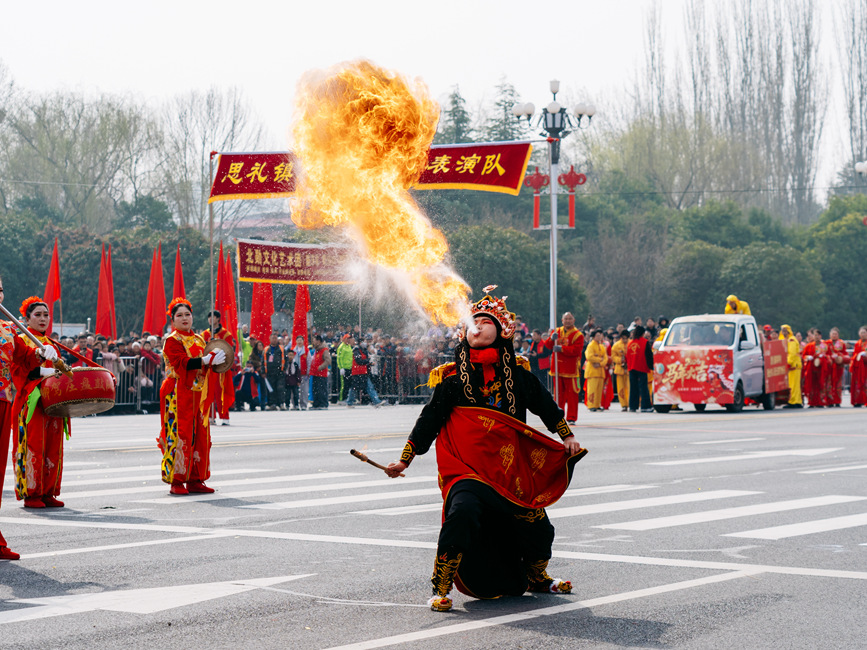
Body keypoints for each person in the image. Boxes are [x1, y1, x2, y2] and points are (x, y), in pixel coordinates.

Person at [385, 287, 585, 612]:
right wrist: (405, 459)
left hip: (509, 472)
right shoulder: (451, 380)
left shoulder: (518, 376)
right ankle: (440, 586)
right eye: (472, 321)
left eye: (484, 321)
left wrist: (566, 436)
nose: (476, 326)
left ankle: (537, 575)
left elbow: (545, 406)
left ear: (502, 330)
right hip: (467, 470)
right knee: (462, 513)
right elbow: (429, 421)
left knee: (538, 525)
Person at [10, 297, 80, 509]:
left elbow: (62, 370)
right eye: (37, 315)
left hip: (53, 402)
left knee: (53, 446)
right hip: (31, 401)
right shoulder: (19, 340)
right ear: (26, 318)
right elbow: (17, 371)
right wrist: (42, 370)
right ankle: (32, 493)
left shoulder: (51, 344)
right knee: (33, 445)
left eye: (46, 315)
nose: (42, 319)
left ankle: (49, 491)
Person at [158, 298, 225, 496]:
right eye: (179, 315)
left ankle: (196, 478)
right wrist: (204, 360)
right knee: (179, 435)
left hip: (198, 394)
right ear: (173, 320)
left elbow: (205, 365)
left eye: (187, 314)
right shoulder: (172, 340)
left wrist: (215, 361)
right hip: (177, 393)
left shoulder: (199, 339)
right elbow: (181, 363)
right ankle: (176, 481)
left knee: (201, 436)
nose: (184, 318)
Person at [0, 285, 49, 555]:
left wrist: (40, 354)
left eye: (0, 289)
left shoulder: (8, 328)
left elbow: (23, 357)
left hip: (3, 401)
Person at [543, 312, 584, 424]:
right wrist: (551, 338)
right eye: (566, 319)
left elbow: (576, 350)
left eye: (570, 319)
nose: (568, 321)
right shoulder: (556, 331)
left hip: (571, 369)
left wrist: (562, 349)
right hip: (557, 368)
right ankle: (558, 416)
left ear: (573, 320)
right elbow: (547, 345)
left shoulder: (578, 335)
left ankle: (571, 417)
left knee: (572, 395)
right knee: (558, 395)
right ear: (562, 320)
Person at [202, 310, 237, 425]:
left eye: (213, 317)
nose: (211, 320)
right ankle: (210, 416)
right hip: (208, 367)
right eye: (209, 317)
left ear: (218, 319)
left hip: (221, 368)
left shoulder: (226, 334)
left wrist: (216, 345)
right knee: (208, 392)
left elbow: (228, 350)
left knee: (222, 392)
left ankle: (225, 416)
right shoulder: (205, 334)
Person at [346, 335, 383, 408]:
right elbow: (359, 361)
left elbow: (364, 361)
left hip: (363, 372)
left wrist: (369, 363)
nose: (366, 343)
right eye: (364, 342)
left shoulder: (364, 350)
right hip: (357, 372)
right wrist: (368, 361)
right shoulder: (356, 350)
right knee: (354, 388)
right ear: (360, 342)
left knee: (369, 387)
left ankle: (376, 401)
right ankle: (349, 402)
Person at [627, 325, 653, 412]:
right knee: (643, 387)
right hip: (641, 367)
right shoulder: (645, 342)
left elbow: (627, 356)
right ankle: (645, 406)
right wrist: (651, 366)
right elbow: (648, 356)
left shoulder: (630, 343)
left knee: (633, 387)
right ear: (642, 333)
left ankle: (632, 406)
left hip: (631, 368)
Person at [583, 329, 608, 412]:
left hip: (600, 371)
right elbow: (589, 357)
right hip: (592, 371)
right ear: (593, 337)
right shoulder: (590, 345)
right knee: (592, 389)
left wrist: (600, 363)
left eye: (600, 335)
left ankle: (597, 405)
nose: (599, 337)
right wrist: (600, 359)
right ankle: (591, 405)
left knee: (599, 390)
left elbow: (606, 358)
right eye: (597, 335)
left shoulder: (602, 346)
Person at [780, 324, 803, 409]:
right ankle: (796, 401)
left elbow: (792, 353)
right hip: (793, 365)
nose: (784, 332)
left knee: (793, 385)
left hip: (793, 365)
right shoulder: (786, 340)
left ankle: (793, 402)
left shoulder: (791, 340)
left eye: (785, 331)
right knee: (794, 385)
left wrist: (788, 362)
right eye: (783, 331)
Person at [826, 328, 849, 407]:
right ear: (830, 335)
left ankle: (837, 401)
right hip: (830, 366)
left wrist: (840, 356)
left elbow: (845, 353)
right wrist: (829, 357)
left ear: (838, 335)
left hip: (838, 367)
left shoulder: (841, 343)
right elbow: (823, 353)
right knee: (829, 383)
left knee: (838, 384)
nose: (834, 335)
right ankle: (829, 401)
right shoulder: (826, 343)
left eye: (835, 334)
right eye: (833, 334)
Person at [263, 333, 286, 410]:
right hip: (269, 373)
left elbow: (285, 360)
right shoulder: (266, 349)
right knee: (271, 389)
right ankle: (272, 404)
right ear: (270, 339)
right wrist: (263, 372)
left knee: (280, 388)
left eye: (275, 338)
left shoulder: (281, 349)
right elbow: (263, 361)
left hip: (280, 372)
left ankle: (281, 403)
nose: (274, 340)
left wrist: (284, 369)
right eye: (272, 338)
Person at [310, 335, 331, 409]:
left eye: (314, 340)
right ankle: (316, 403)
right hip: (315, 373)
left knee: (321, 389)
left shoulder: (324, 350)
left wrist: (320, 367)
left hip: (321, 374)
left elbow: (328, 360)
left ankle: (323, 404)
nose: (313, 342)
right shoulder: (317, 350)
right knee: (315, 389)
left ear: (318, 341)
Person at [611, 330, 630, 411]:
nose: (625, 340)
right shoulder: (616, 345)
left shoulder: (631, 343)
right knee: (621, 388)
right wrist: (620, 360)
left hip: (629, 369)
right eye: (623, 338)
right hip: (620, 369)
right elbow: (613, 357)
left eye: (626, 338)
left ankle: (630, 403)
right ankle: (623, 405)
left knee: (629, 387)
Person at [850, 326, 867, 407]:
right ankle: (859, 401)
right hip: (859, 367)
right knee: (858, 384)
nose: (862, 334)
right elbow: (854, 355)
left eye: (864, 333)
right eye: (861, 333)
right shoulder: (857, 344)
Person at [336, 334, 353, 403]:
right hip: (344, 368)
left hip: (349, 367)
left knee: (348, 384)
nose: (348, 340)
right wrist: (341, 367)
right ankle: (341, 399)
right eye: (347, 338)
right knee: (343, 385)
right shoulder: (341, 347)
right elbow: (339, 358)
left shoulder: (349, 346)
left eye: (349, 339)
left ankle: (347, 398)